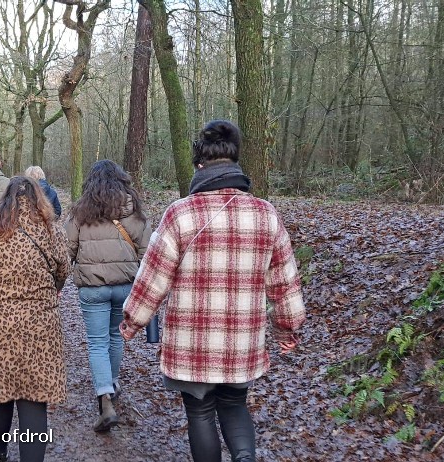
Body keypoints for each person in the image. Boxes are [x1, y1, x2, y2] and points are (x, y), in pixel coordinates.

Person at [120, 120, 306, 462]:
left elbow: (154, 277)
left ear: (199, 165)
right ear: (235, 162)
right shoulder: (266, 215)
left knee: (201, 413)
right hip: (242, 340)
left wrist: (132, 321)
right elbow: (284, 281)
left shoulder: (180, 213)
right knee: (235, 405)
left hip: (193, 343)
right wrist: (288, 328)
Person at [0, 176, 69, 462]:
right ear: (39, 198)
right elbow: (63, 270)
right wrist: (49, 293)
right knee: (34, 398)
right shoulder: (51, 229)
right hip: (41, 325)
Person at [65, 159, 149, 432]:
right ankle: (112, 383)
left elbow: (69, 248)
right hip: (125, 285)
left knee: (97, 341)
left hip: (92, 287)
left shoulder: (81, 211)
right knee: (116, 336)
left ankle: (104, 397)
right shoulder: (133, 209)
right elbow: (145, 248)